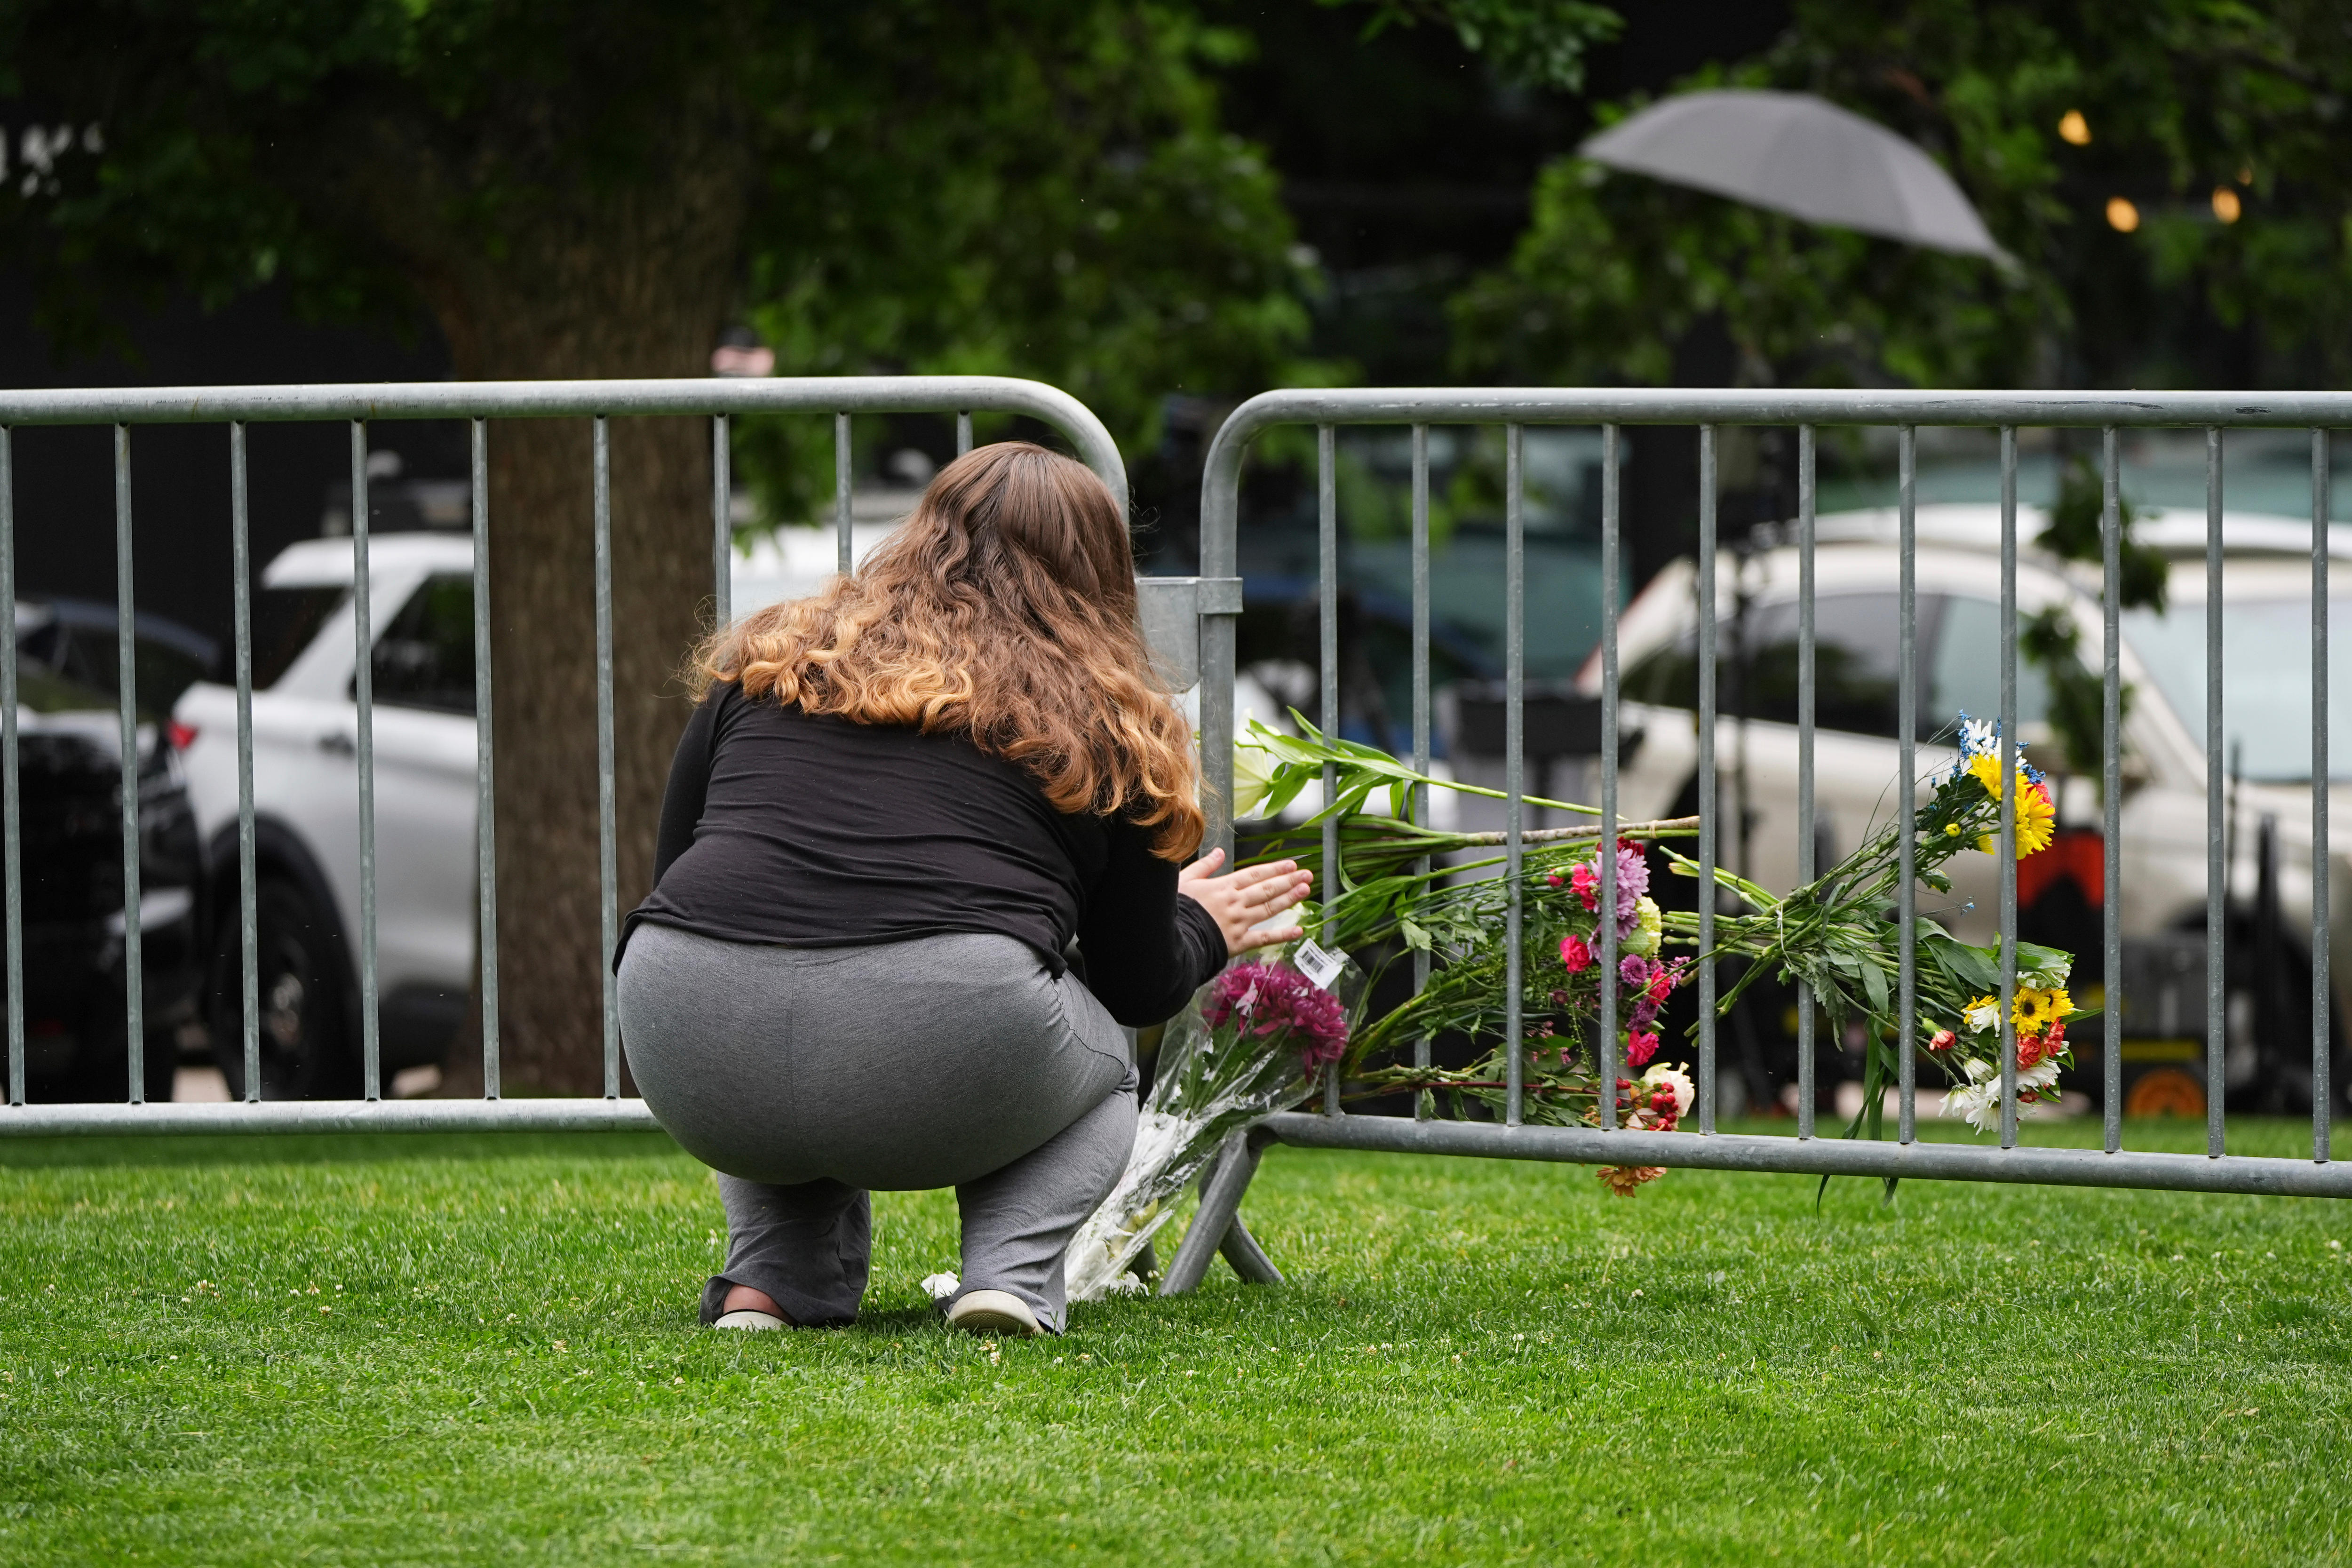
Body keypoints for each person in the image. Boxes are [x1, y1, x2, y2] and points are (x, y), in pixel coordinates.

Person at [616, 441, 1311, 1337]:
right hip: (941, 1027)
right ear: (1102, 571)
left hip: (685, 1028)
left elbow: (681, 879)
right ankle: (1009, 1282)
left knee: (786, 975)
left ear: (922, 534)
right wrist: (1202, 928)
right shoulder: (1113, 716)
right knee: (1100, 1070)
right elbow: (1136, 984)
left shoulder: (771, 657)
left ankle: (770, 1284)